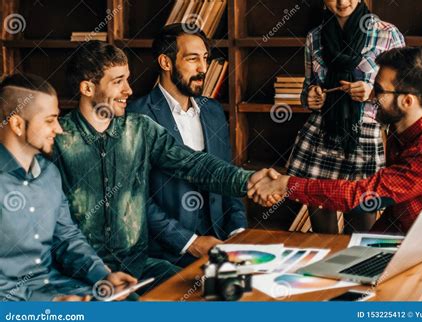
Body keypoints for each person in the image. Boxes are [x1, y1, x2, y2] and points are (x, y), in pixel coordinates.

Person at [249, 47, 422, 300]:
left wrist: (286, 184)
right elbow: (397, 208)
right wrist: (361, 252)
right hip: (419, 248)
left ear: (407, 101)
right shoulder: (408, 131)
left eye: (379, 90)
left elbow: (363, 195)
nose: (371, 97)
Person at [52, 41, 277, 288]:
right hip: (83, 275)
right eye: (118, 82)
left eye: (128, 79)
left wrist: (247, 180)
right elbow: (57, 229)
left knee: (215, 294)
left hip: (141, 266)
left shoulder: (141, 129)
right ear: (87, 87)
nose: (129, 90)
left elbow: (193, 164)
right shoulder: (56, 140)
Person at [0, 74, 136, 301]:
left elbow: (66, 238)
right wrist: (47, 304)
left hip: (60, 288)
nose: (59, 129)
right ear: (16, 123)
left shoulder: (49, 173)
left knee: (134, 305)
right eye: (49, 120)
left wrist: (102, 276)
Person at [127, 24, 247, 267]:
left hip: (222, 245)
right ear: (166, 62)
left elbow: (228, 177)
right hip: (167, 254)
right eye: (193, 59)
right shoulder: (134, 115)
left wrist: (238, 232)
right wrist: (190, 242)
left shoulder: (213, 110)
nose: (203, 68)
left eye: (205, 58)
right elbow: (135, 199)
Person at [287, 0, 405, 233]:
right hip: (322, 135)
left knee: (361, 230)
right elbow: (308, 86)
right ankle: (324, 269)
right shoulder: (315, 37)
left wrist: (373, 93)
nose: (342, 2)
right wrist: (310, 97)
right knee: (323, 232)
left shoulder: (388, 34)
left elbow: (403, 95)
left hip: (364, 138)